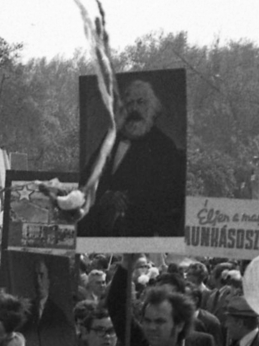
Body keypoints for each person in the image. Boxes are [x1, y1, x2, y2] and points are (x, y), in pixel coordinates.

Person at [76, 77, 187, 239]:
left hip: (140, 230)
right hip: (98, 227)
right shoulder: (111, 138)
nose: (134, 108)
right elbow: (87, 178)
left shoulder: (163, 146)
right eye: (129, 103)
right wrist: (105, 195)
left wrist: (124, 201)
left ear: (152, 108)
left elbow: (167, 197)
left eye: (140, 102)